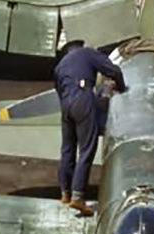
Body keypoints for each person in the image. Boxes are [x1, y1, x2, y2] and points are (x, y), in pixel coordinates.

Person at [54, 40, 126, 215]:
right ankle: (78, 197)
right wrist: (122, 88)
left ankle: (65, 193)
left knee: (67, 149)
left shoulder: (60, 66)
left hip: (65, 105)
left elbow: (58, 89)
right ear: (80, 46)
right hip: (83, 99)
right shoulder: (87, 53)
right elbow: (113, 70)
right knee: (86, 149)